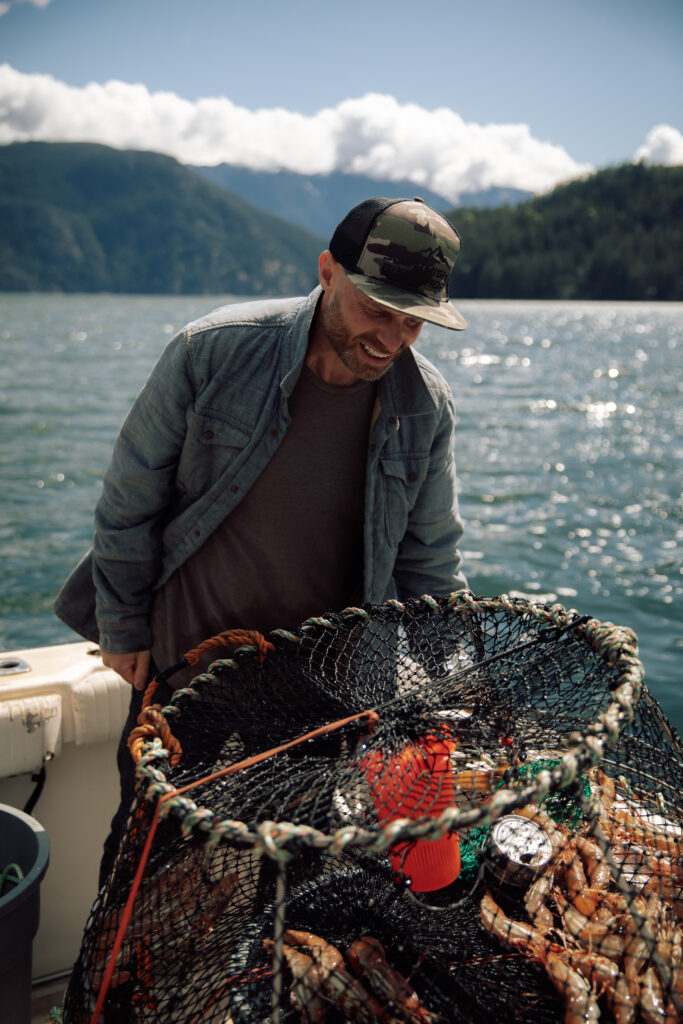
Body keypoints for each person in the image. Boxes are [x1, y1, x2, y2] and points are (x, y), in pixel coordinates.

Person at [54, 195, 469, 883]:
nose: (390, 340)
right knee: (148, 853)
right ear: (328, 271)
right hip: (187, 664)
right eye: (376, 310)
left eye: (412, 324)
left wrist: (447, 680)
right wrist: (124, 628)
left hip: (321, 683)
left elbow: (430, 561)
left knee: (302, 867)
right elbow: (129, 500)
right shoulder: (210, 351)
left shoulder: (424, 406)